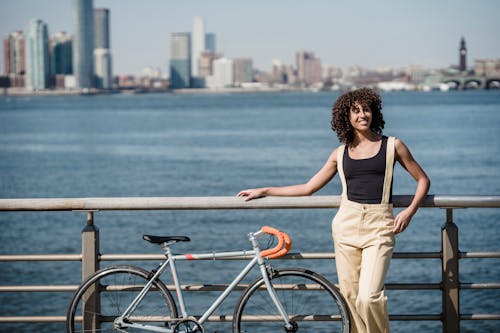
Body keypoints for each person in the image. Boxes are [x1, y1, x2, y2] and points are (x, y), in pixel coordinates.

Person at [237, 87, 430, 333]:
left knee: (368, 297)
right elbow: (308, 187)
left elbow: (423, 180)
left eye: (367, 109)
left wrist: (409, 211)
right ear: (346, 117)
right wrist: (265, 190)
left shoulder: (393, 146)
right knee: (349, 295)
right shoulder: (340, 154)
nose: (363, 115)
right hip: (346, 226)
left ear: (374, 113)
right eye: (356, 111)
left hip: (380, 227)